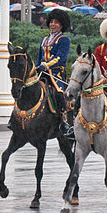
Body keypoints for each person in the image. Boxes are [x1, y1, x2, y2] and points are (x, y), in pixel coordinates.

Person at [35, 9, 73, 137]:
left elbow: (60, 58)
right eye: (51, 21)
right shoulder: (44, 39)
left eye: (56, 22)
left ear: (61, 25)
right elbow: (39, 57)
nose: (52, 24)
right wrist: (36, 68)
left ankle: (64, 121)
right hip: (41, 73)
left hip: (56, 74)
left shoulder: (64, 40)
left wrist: (46, 65)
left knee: (58, 93)